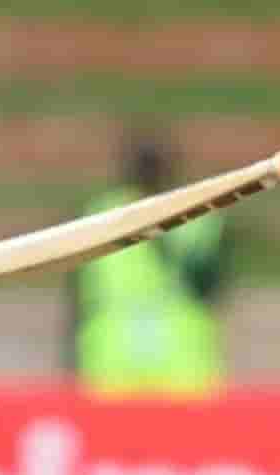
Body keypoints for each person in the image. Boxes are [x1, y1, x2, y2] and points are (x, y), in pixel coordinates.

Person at [68, 130, 231, 397]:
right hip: (113, 365)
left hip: (183, 367)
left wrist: (165, 240)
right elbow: (78, 296)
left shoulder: (200, 217)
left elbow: (210, 288)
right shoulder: (100, 215)